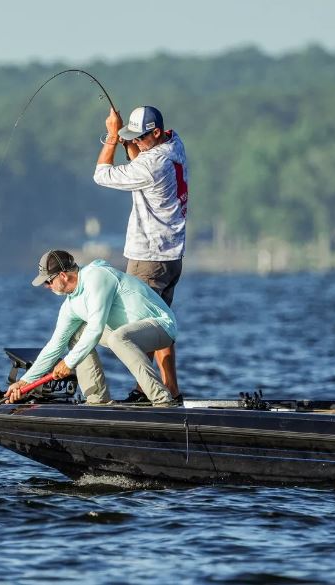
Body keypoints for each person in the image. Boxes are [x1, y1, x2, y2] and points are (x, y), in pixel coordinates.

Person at [93, 105, 188, 401]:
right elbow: (143, 157)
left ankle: (147, 391)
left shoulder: (153, 165)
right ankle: (169, 388)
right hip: (170, 257)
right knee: (161, 323)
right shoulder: (175, 145)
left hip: (149, 258)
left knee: (135, 329)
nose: (134, 142)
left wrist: (112, 137)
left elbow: (101, 175)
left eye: (139, 137)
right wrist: (133, 143)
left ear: (156, 133)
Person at [4, 250, 178, 407]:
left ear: (63, 275)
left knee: (117, 338)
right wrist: (25, 381)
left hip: (161, 326)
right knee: (76, 335)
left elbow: (95, 329)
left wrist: (69, 362)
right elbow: (54, 346)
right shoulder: (70, 305)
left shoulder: (96, 277)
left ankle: (162, 400)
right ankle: (98, 400)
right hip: (126, 333)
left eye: (49, 281)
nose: (46, 286)